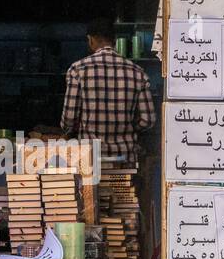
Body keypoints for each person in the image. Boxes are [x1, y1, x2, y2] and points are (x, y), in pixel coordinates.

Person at [60, 17, 156, 163]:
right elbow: (148, 120)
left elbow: (68, 120)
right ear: (115, 40)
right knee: (125, 187)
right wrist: (127, 126)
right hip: (125, 159)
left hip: (90, 160)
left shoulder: (78, 70)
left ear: (90, 39)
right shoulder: (138, 72)